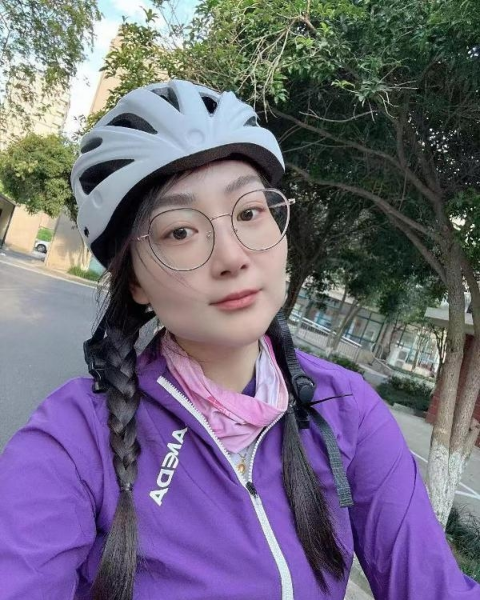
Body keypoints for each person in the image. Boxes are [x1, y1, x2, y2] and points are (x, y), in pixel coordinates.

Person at [0, 79, 478, 600]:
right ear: (134, 280)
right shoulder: (73, 440)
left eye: (249, 213)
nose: (232, 256)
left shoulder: (347, 409)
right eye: (180, 231)